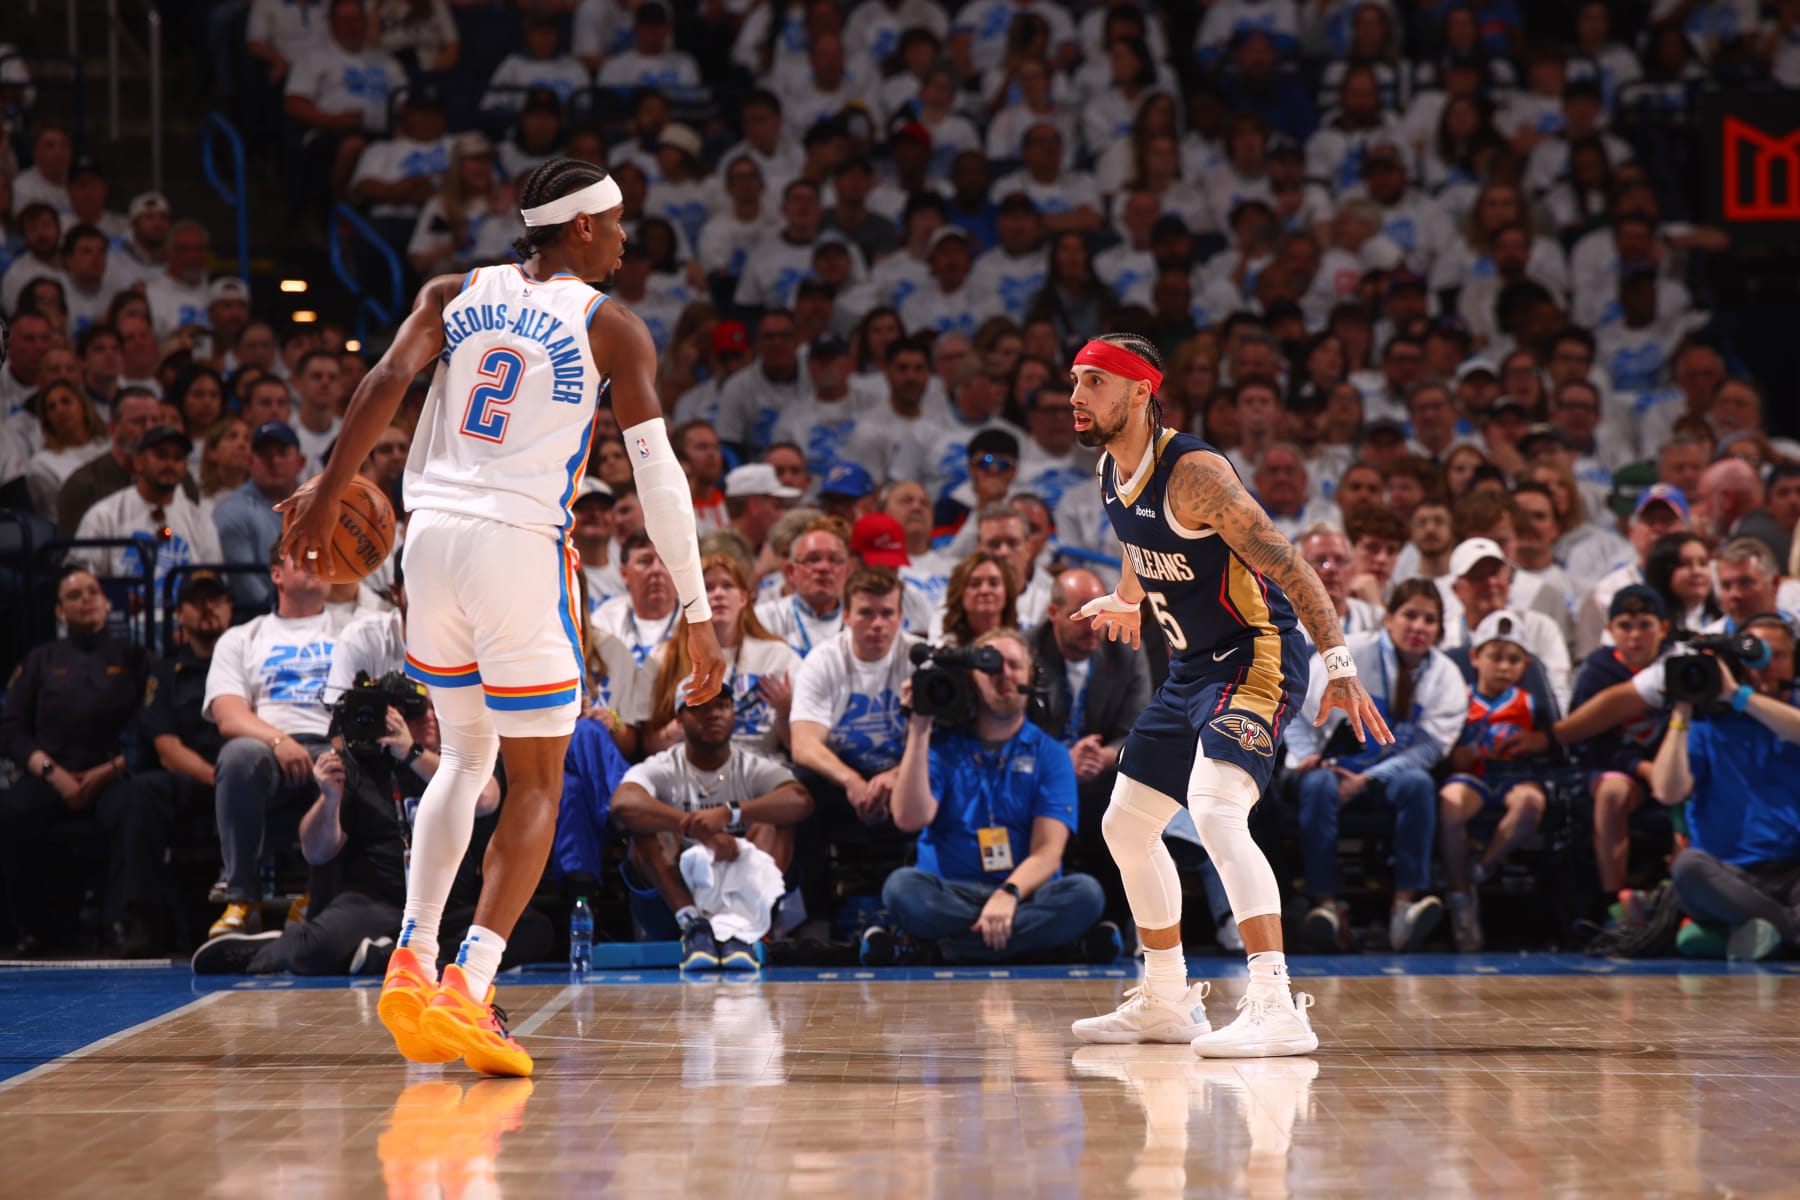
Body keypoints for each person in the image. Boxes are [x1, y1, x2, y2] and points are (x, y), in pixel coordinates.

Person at [278, 158, 725, 1078]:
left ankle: (412, 954)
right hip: (519, 546)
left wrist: (327, 495)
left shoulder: (454, 290)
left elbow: (380, 389)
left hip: (429, 544)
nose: (628, 235)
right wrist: (698, 608)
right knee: (535, 782)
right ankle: (471, 987)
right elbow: (659, 477)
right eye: (618, 220)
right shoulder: (613, 328)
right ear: (583, 229)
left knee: (467, 755)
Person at [1066, 333, 1391, 1059]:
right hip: (1190, 671)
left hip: (1255, 656)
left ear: (1140, 392)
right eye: (1075, 381)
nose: (1076, 396)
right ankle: (1167, 997)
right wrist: (1127, 599)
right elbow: (1136, 539)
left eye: (1094, 382)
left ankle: (1276, 1002)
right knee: (1125, 827)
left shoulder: (1198, 473)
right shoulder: (1111, 471)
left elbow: (1290, 563)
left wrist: (1339, 662)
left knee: (1214, 809)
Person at [867, 627, 1112, 965]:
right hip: (948, 888)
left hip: (1024, 895)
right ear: (972, 681)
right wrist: (920, 725)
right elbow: (909, 819)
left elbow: (1047, 852)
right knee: (901, 888)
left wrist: (1008, 895)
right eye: (991, 666)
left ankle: (947, 947)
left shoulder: (1051, 755)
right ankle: (1030, 945)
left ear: (1030, 677)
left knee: (1086, 894)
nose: (1003, 675)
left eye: (1013, 665)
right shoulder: (942, 746)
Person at [1286, 580, 1467, 952]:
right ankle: (1326, 907)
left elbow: (1427, 750)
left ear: (1440, 629)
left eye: (1429, 620)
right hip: (1329, 770)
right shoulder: (1349, 653)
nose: (1418, 626)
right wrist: (1305, 755)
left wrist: (1367, 779)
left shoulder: (1445, 675)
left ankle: (1405, 906)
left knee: (1419, 783)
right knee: (1318, 785)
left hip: (1384, 778)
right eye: (1410, 615)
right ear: (1388, 618)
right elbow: (1295, 709)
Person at [611, 682, 813, 970]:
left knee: (777, 818)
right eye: (701, 707)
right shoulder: (662, 766)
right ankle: (693, 924)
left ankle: (741, 930)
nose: (714, 714)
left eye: (722, 706)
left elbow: (801, 801)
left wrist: (730, 814)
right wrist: (692, 826)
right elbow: (622, 805)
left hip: (737, 888)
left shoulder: (751, 764)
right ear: (679, 719)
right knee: (645, 826)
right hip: (672, 896)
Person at [0, 566, 149, 954]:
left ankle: (122, 924)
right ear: (59, 611)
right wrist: (53, 773)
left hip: (112, 773)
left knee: (136, 804)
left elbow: (146, 725)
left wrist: (110, 770)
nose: (87, 600)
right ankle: (32, 930)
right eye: (75, 595)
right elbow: (12, 728)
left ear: (105, 600)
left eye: (93, 591)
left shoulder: (134, 658)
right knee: (13, 811)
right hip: (51, 774)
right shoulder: (40, 659)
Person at [1651, 613, 1800, 961]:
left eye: (1777, 656)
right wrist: (1682, 709)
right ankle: (1790, 934)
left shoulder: (1791, 712)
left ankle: (1755, 933)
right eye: (1754, 656)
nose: (1765, 666)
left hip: (1794, 871)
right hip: (1726, 875)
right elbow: (1667, 790)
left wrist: (1738, 694)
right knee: (1688, 868)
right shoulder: (1709, 724)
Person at [1436, 610, 1559, 952]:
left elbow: (1555, 748)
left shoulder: (1533, 704)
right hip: (1474, 777)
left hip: (1517, 778)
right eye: (1495, 657)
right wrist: (1454, 755)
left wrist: (1538, 742)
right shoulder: (1457, 698)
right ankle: (1461, 899)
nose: (1503, 666)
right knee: (1450, 803)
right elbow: (1440, 745)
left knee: (1531, 803)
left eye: (1513, 659)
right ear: (1475, 657)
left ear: (1526, 665)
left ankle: (1480, 868)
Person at [1569, 584, 1671, 901]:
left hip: (1671, 768)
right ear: (1610, 630)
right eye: (1625, 626)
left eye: (1645, 625)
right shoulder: (1597, 674)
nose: (1635, 636)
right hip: (1614, 771)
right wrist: (1639, 767)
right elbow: (1584, 742)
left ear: (1663, 628)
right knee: (1613, 792)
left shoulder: (1679, 668)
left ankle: (1686, 900)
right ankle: (1613, 903)